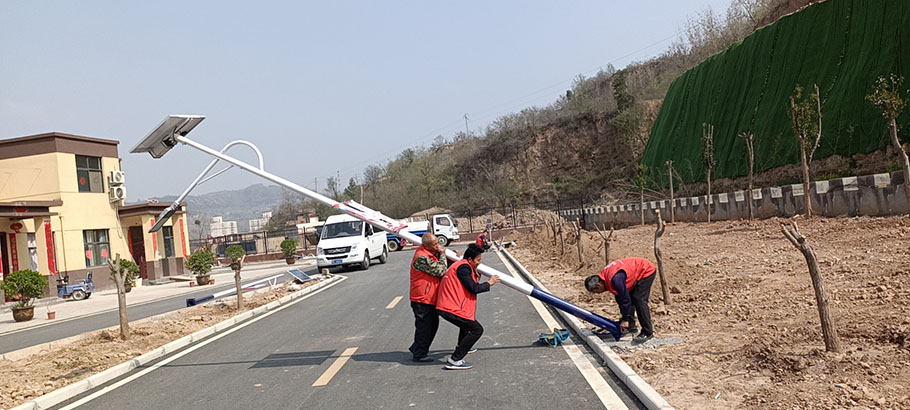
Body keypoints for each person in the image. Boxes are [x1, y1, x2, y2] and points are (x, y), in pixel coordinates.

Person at [436, 243, 500, 370]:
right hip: (451, 307)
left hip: (450, 306)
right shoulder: (464, 268)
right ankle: (455, 359)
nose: (479, 263)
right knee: (477, 330)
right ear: (470, 259)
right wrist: (489, 283)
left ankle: (462, 345)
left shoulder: (463, 265)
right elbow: (474, 288)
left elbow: (471, 282)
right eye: (478, 260)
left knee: (465, 325)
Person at [584, 257, 656, 345]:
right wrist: (624, 318)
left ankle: (647, 333)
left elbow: (625, 300)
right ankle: (631, 328)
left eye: (595, 291)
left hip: (645, 270)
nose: (598, 294)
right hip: (633, 272)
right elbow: (621, 299)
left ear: (598, 285)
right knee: (620, 298)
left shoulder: (615, 280)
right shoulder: (605, 277)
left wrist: (625, 320)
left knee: (639, 299)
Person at [408, 233, 449, 362]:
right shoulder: (421, 258)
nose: (438, 246)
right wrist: (443, 255)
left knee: (432, 325)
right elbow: (441, 271)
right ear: (426, 246)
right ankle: (419, 354)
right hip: (422, 299)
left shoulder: (428, 253)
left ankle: (417, 348)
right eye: (435, 244)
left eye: (437, 243)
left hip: (429, 297)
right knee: (425, 327)